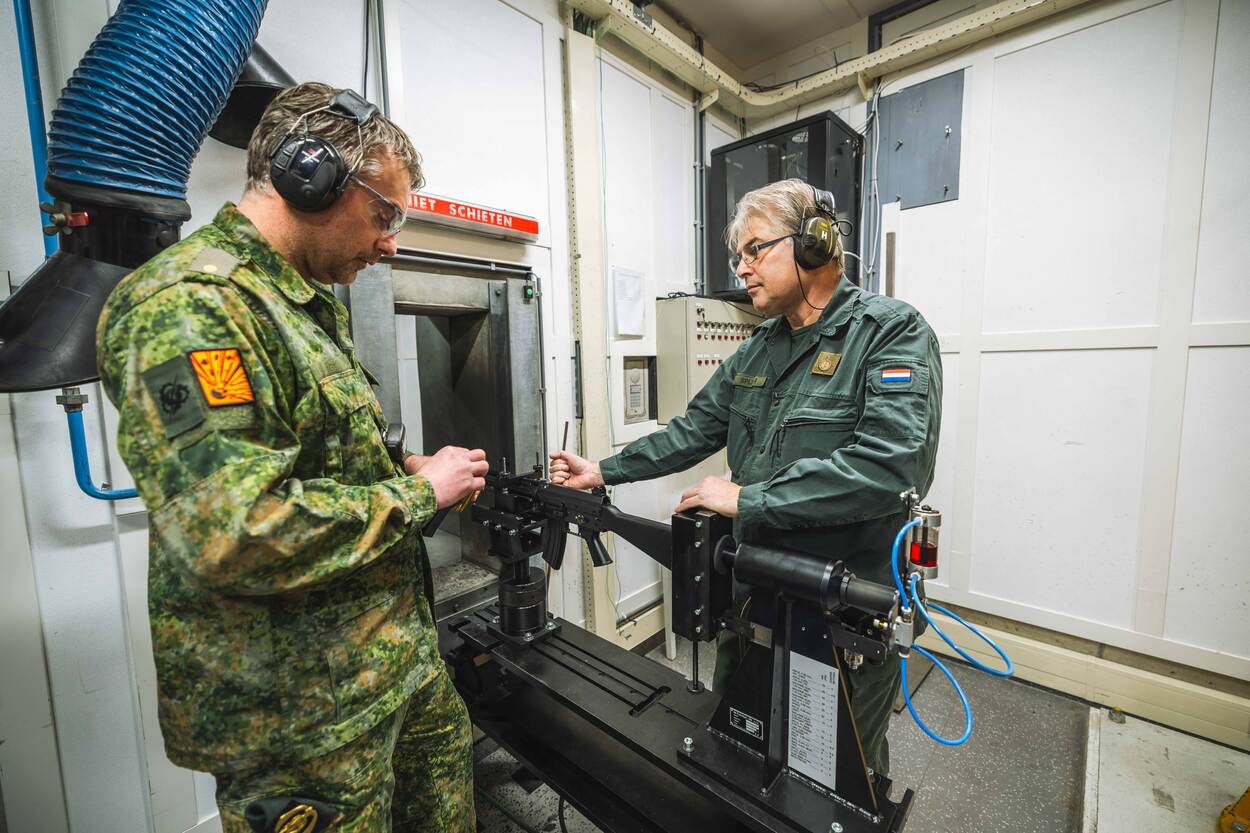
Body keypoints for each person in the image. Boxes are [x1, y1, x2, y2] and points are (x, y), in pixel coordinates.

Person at [96, 82, 482, 833]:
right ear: (309, 175)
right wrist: (419, 497)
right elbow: (233, 531)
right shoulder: (193, 304)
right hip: (304, 726)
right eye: (383, 214)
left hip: (392, 670)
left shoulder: (296, 303)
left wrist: (401, 471)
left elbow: (307, 466)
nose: (390, 242)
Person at [550, 177, 942, 778]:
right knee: (735, 757)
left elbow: (890, 467)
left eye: (755, 249)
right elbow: (694, 429)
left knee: (835, 784)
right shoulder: (759, 348)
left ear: (814, 244)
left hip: (841, 620)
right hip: (754, 602)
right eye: (738, 255)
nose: (742, 268)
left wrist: (748, 497)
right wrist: (602, 469)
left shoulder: (889, 332)